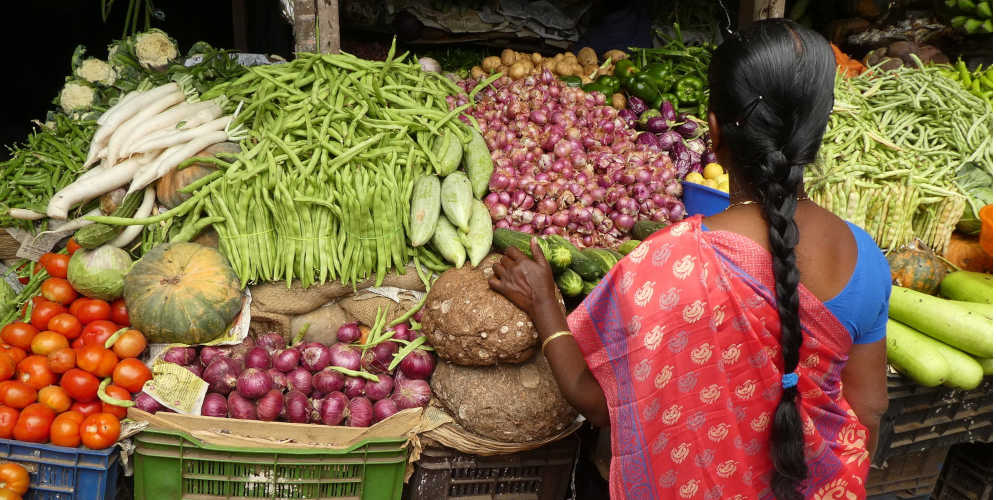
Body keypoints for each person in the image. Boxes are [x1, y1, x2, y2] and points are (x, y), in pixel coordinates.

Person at [489, 19, 891, 500]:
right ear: (816, 132)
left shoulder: (665, 263)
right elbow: (867, 407)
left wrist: (544, 304)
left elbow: (599, 404)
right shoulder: (865, 257)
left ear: (714, 132)